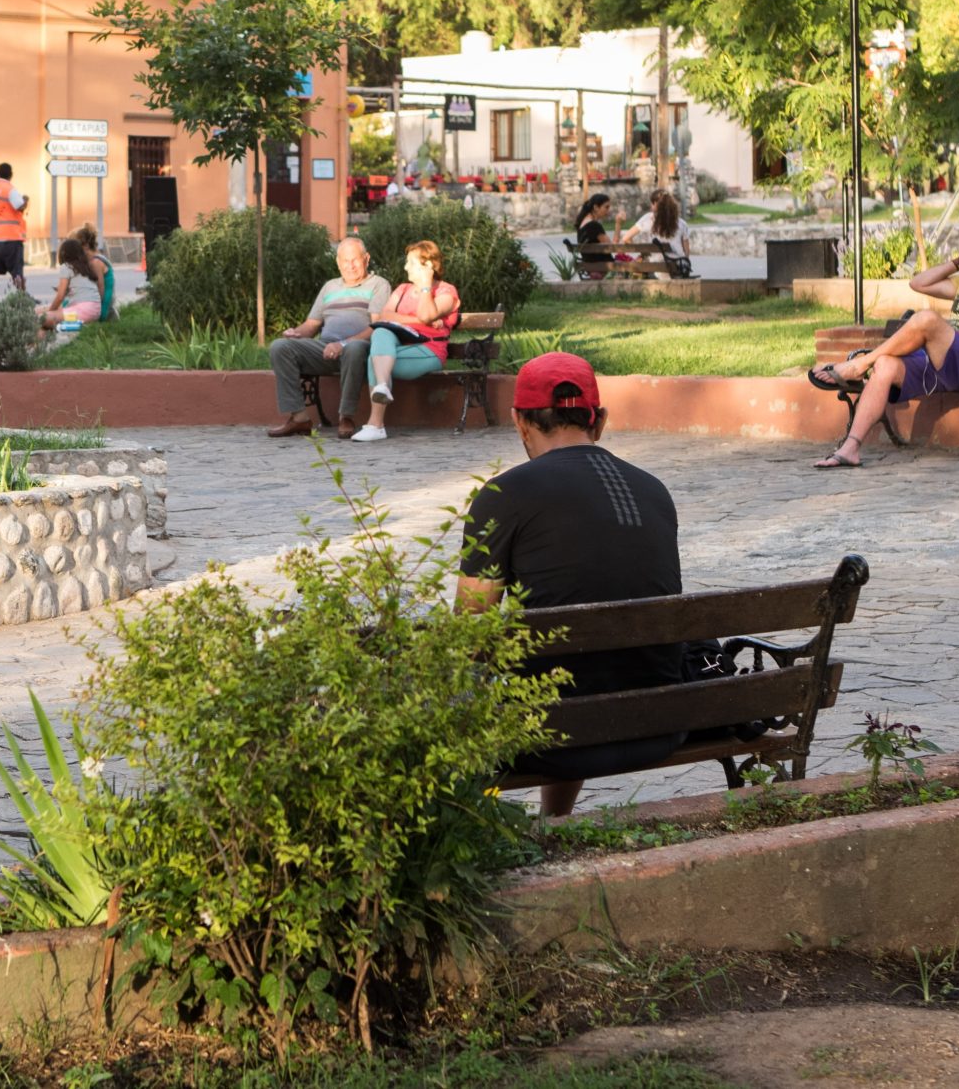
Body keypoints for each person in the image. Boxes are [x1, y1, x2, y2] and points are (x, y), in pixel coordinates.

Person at [456, 352, 684, 817]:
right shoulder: (654, 490)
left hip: (553, 738)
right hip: (658, 725)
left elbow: (469, 633)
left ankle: (467, 828)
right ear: (598, 421)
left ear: (520, 421)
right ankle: (555, 818)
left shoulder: (503, 494)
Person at [806, 216, 959, 469]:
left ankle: (859, 365)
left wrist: (943, 334)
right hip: (939, 361)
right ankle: (850, 448)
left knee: (926, 320)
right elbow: (918, 283)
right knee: (886, 365)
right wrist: (958, 263)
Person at [265, 236, 392, 438]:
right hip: (324, 348)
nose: (350, 266)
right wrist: (295, 333)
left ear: (366, 259)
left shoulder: (378, 285)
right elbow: (311, 325)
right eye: (345, 261)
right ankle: (299, 418)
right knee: (280, 347)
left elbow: (377, 327)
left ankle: (346, 417)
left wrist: (342, 344)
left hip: (358, 348)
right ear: (337, 262)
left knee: (355, 348)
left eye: (355, 260)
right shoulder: (330, 286)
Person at [352, 239, 462, 442]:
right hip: (400, 346)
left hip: (429, 350)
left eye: (410, 263)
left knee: (373, 361)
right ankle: (383, 386)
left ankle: (376, 424)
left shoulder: (447, 292)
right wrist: (419, 321)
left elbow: (427, 314)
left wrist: (426, 287)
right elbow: (385, 316)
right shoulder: (402, 289)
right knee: (381, 332)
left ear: (427, 265)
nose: (405, 267)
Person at [40, 231, 115, 332]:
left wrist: (51, 311)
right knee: (41, 314)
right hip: (95, 311)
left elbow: (60, 296)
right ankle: (61, 325)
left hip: (81, 312)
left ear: (63, 254)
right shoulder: (86, 267)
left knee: (42, 318)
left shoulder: (66, 266)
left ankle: (63, 327)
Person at [0, 163, 29, 302]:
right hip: (11, 237)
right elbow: (19, 206)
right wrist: (25, 200)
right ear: (11, 174)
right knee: (17, 271)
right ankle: (22, 298)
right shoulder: (10, 189)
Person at [627, 189, 695, 276]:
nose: (651, 207)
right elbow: (686, 251)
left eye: (652, 204)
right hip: (678, 267)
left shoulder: (648, 219)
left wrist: (642, 252)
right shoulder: (682, 223)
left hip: (656, 268)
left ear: (655, 204)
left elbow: (626, 238)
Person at [572, 191, 613, 278]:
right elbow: (611, 247)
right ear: (596, 207)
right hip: (602, 267)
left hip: (591, 267)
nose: (608, 211)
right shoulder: (594, 225)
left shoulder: (582, 224)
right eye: (606, 207)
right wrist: (618, 224)